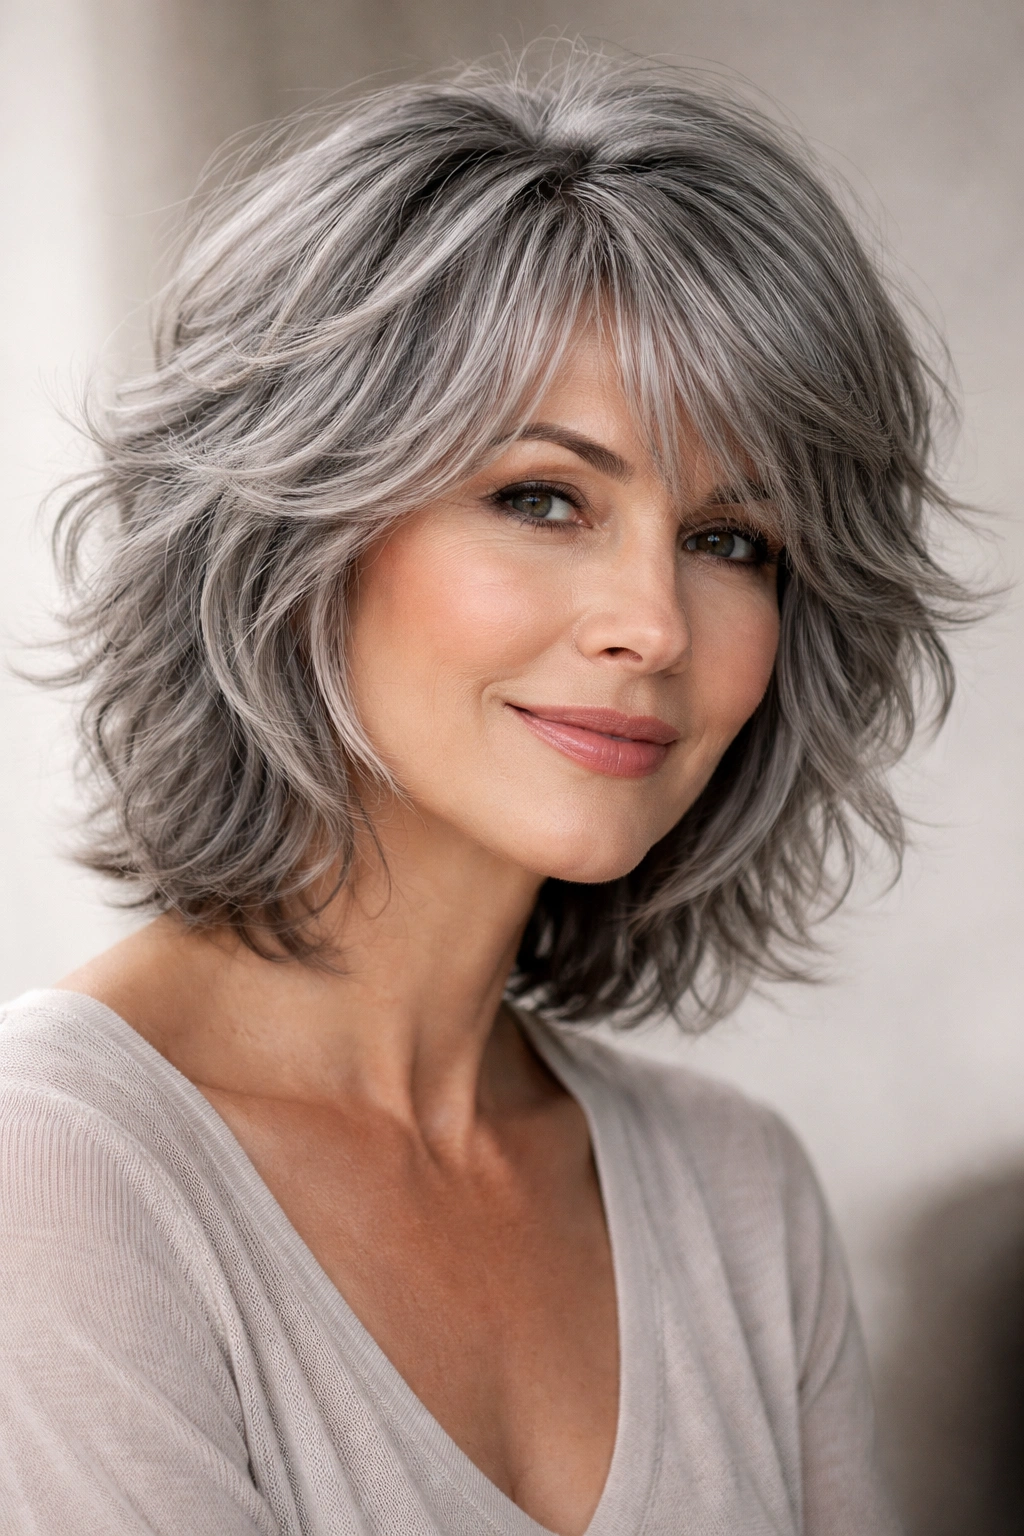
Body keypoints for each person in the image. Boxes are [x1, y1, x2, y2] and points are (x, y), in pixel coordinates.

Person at [0, 52, 971, 1536]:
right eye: (542, 498)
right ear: (297, 525)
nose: (652, 622)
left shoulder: (735, 1194)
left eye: (731, 538)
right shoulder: (56, 1176)